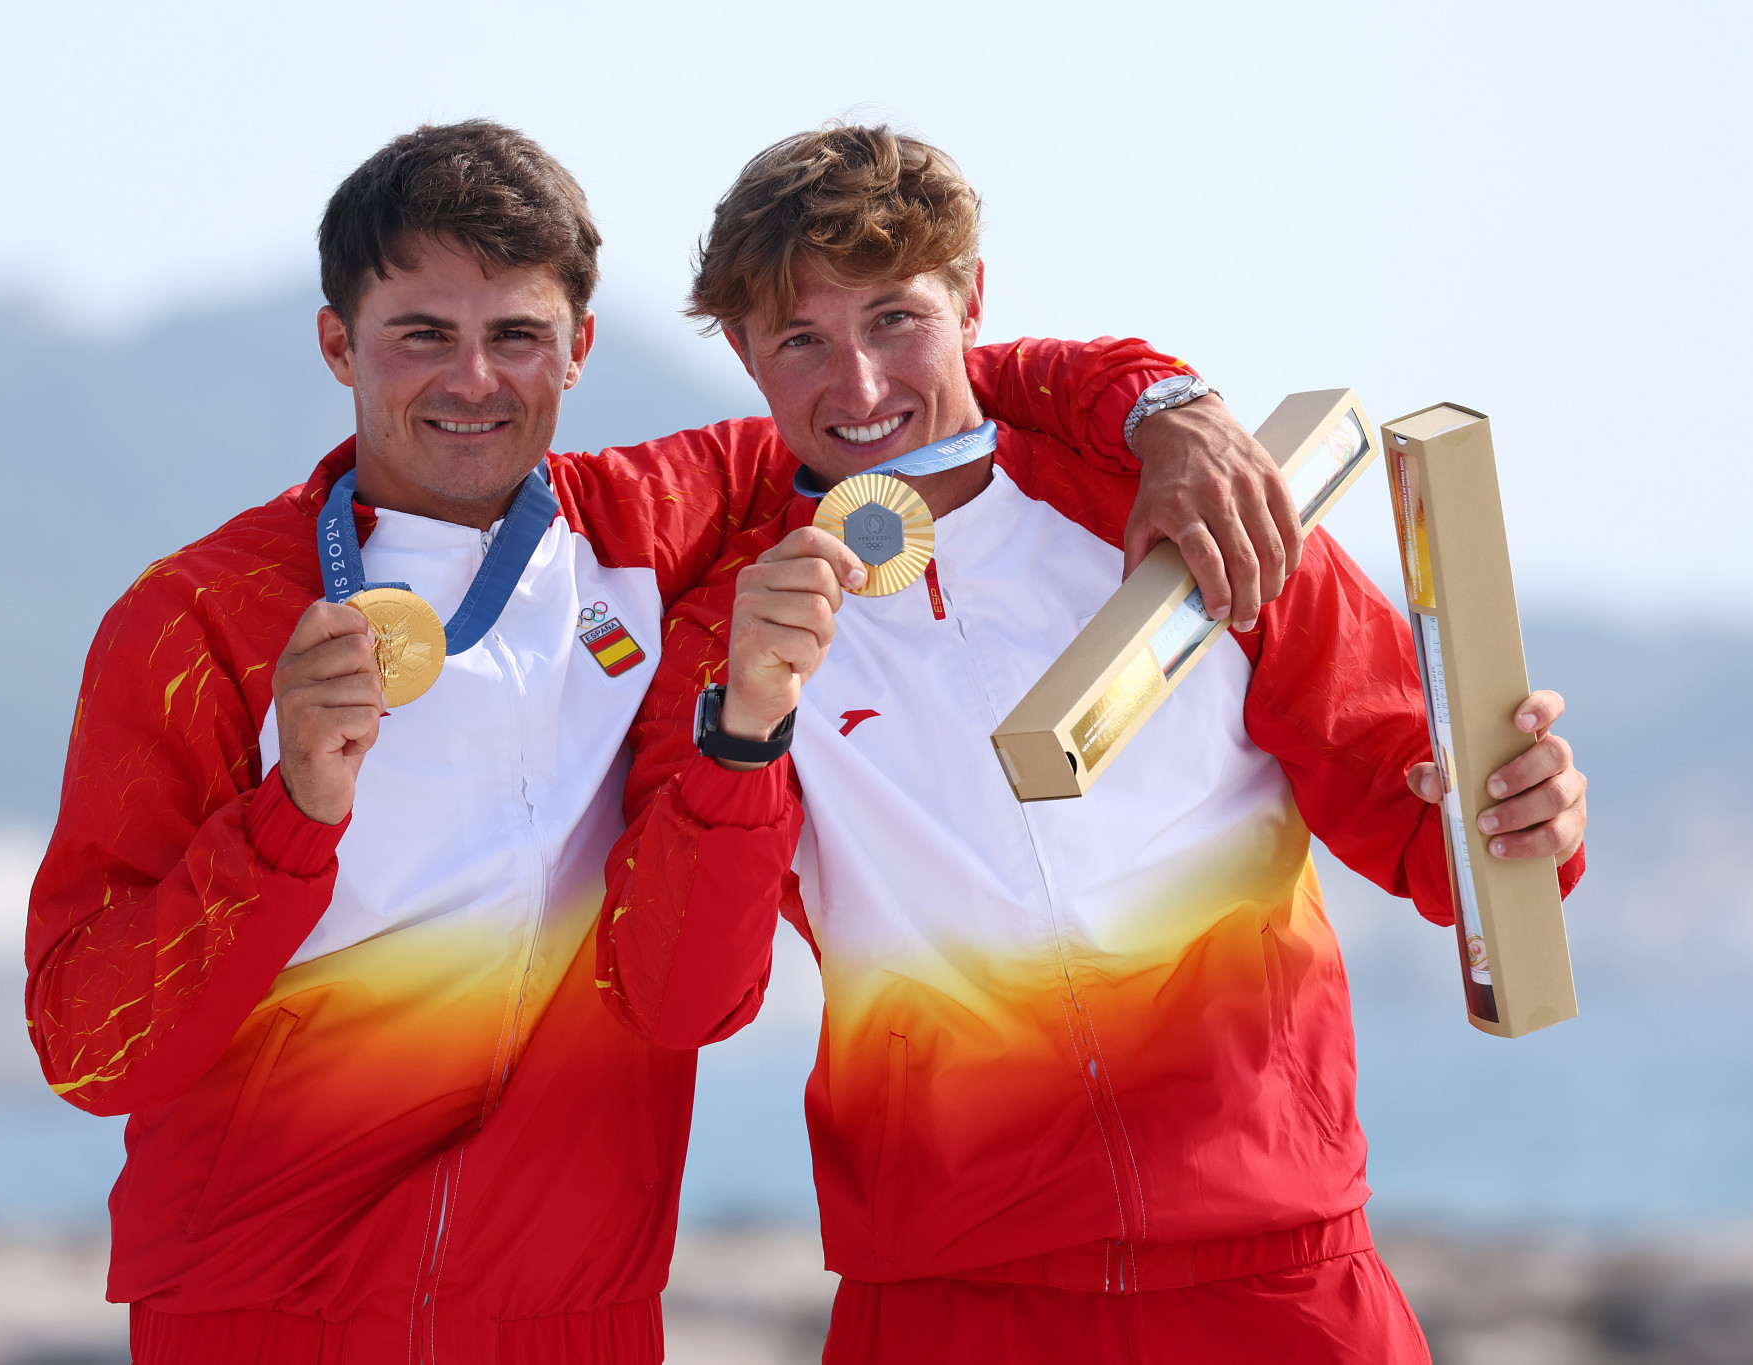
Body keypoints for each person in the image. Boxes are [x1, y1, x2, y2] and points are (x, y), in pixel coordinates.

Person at [23, 119, 1291, 1363]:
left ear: (576, 350)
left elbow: (905, 381)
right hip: (260, 1319)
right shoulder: (192, 622)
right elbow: (88, 1047)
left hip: (577, 1322)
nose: (473, 380)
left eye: (515, 335)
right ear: (336, 344)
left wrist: (1161, 405)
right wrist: (287, 813)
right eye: (422, 334)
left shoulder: (656, 524)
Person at [597, 125, 1590, 1363]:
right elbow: (684, 1000)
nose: (855, 387)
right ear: (746, 355)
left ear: (970, 302)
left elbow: (1447, 848)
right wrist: (743, 731)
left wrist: (1525, 816)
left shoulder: (1181, 511)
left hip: (1272, 1275)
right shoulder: (726, 635)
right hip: (946, 1300)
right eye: (800, 340)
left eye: (894, 320)